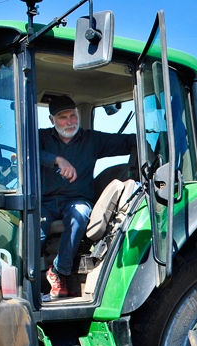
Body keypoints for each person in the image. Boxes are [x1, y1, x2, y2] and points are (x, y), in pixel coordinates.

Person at [39, 95, 136, 299]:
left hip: (76, 200)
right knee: (31, 227)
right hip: (46, 202)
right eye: (63, 117)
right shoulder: (41, 138)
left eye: (73, 116)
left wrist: (155, 138)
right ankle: (25, 281)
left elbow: (126, 142)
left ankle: (59, 272)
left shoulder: (91, 140)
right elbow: (24, 151)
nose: (70, 121)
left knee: (80, 214)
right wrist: (57, 159)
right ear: (51, 120)